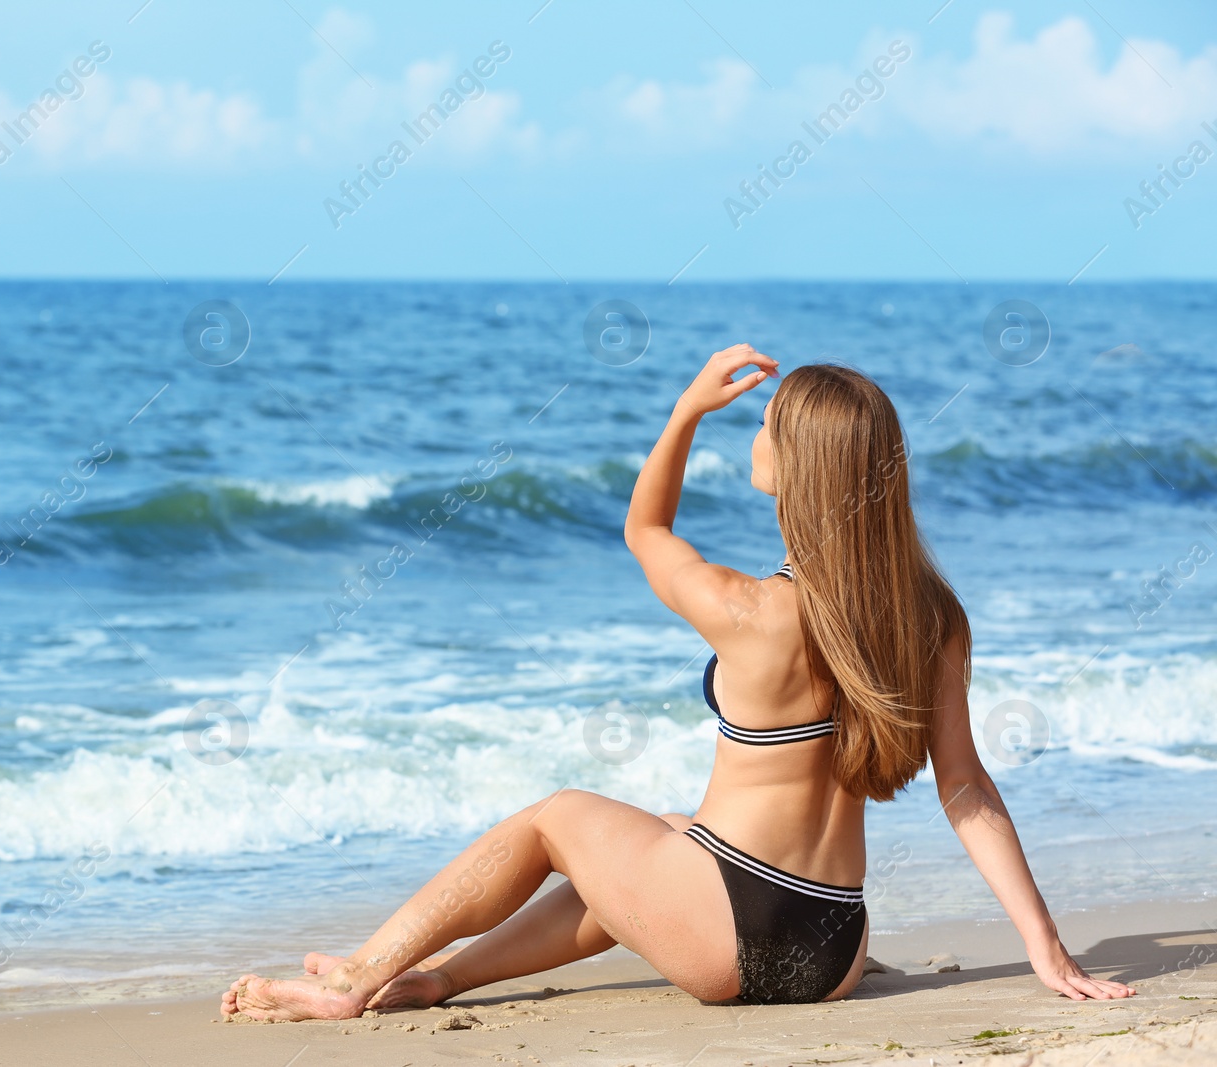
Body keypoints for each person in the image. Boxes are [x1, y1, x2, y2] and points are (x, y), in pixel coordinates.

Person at [222, 345, 1135, 1021]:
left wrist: (686, 411)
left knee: (559, 816)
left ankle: (356, 975)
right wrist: (1042, 947)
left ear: (798, 470)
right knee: (657, 836)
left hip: (732, 930)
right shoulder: (933, 615)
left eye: (767, 424)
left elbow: (644, 531)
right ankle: (442, 977)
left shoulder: (754, 609)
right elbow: (966, 787)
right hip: (833, 945)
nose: (758, 430)